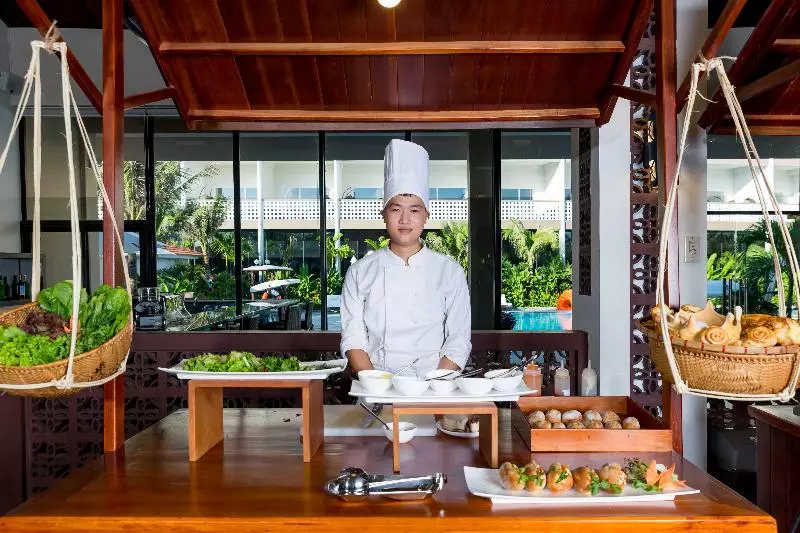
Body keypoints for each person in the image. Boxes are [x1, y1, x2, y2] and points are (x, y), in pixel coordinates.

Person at [340, 139, 471, 376]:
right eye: (396, 209)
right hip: (375, 384)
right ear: (383, 214)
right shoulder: (359, 272)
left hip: (435, 385)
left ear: (426, 215)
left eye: (414, 210)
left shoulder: (450, 272)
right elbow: (353, 338)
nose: (405, 219)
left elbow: (459, 339)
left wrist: (433, 384)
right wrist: (376, 384)